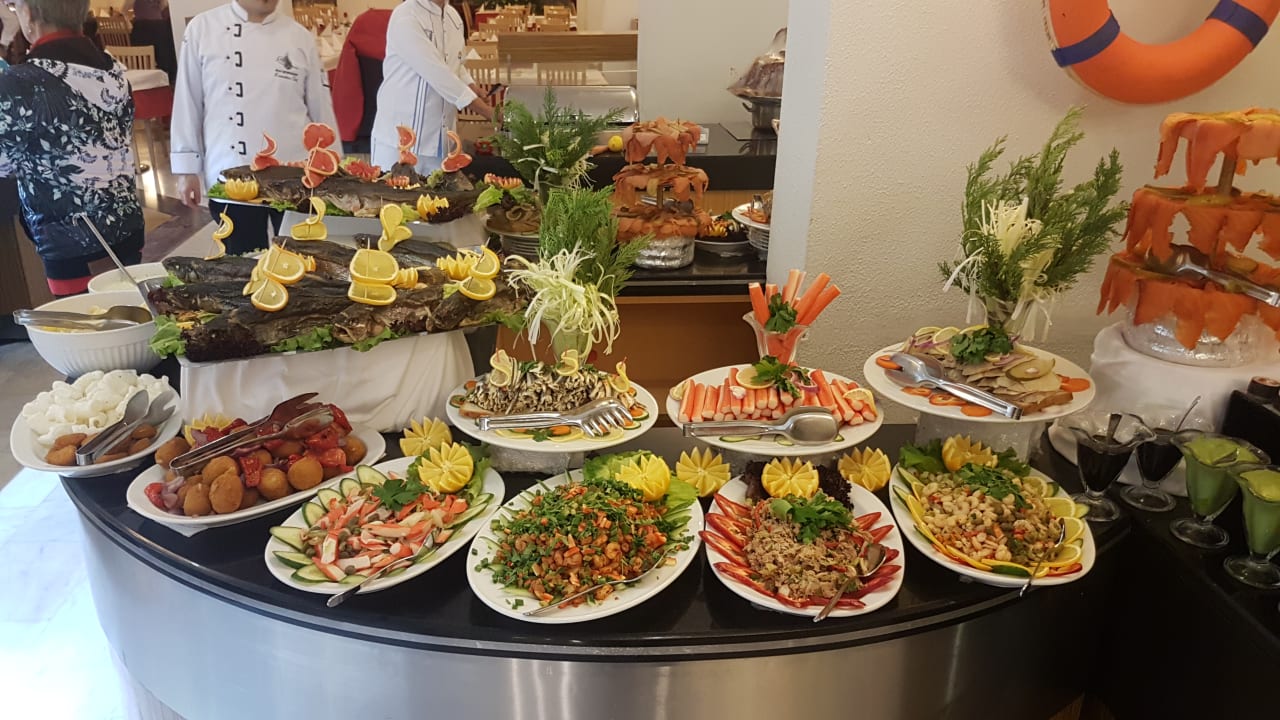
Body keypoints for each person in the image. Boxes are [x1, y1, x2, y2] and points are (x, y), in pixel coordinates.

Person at [0, 0, 144, 296]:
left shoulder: (18, 84)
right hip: (126, 225)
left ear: (29, 13)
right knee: (130, 311)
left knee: (86, 320)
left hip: (70, 243)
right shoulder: (111, 67)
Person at [170, 0, 337, 254]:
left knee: (300, 260)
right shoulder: (202, 29)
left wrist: (333, 167)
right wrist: (186, 169)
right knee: (242, 262)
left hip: (296, 177)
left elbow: (321, 108)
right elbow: (187, 100)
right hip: (232, 175)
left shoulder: (299, 37)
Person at [370, 0, 492, 174]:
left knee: (438, 191)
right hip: (399, 143)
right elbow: (438, 74)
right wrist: (489, 113)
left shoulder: (453, 17)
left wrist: (472, 86)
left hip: (441, 141)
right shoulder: (406, 16)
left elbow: (456, 64)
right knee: (393, 191)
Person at [122, 0, 175, 81]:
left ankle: (166, 75)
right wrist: (127, 21)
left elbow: (163, 7)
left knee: (166, 51)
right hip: (146, 27)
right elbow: (124, 10)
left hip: (156, 27)